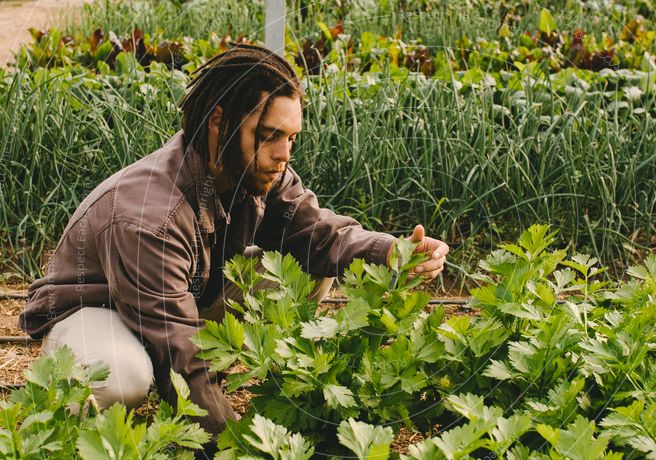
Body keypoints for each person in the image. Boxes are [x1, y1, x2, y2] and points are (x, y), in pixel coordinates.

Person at [18, 45, 449, 438]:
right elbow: (179, 350)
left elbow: (317, 233)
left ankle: (214, 384)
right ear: (219, 123)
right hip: (96, 312)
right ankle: (74, 401)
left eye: (290, 138)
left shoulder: (253, 171)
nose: (284, 155)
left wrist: (392, 252)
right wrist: (241, 453)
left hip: (175, 301)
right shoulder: (150, 218)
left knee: (309, 269)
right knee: (122, 376)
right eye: (269, 136)